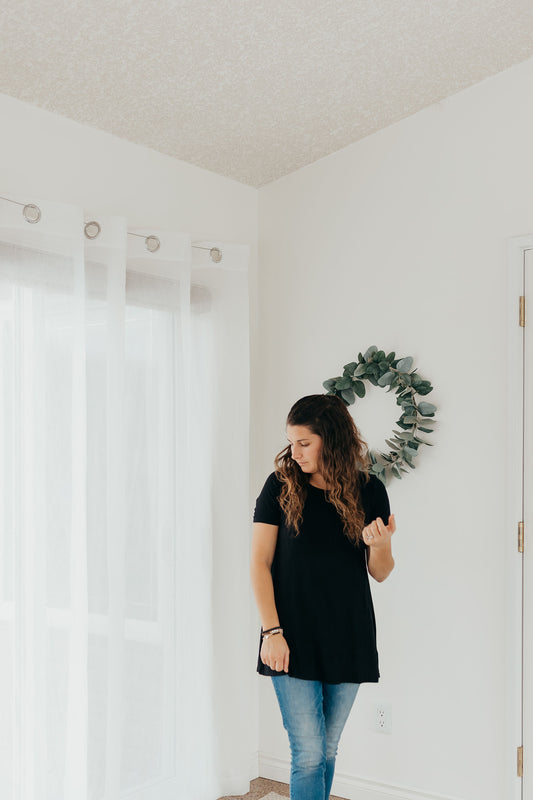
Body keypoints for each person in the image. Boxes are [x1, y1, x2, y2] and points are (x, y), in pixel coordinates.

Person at [250, 394, 395, 800]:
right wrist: (271, 632)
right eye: (291, 442)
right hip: (290, 635)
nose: (294, 453)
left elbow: (380, 571)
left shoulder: (370, 490)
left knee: (327, 749)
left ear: (331, 440)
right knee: (309, 753)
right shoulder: (279, 486)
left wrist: (380, 545)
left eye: (304, 443)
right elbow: (258, 563)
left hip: (349, 635)